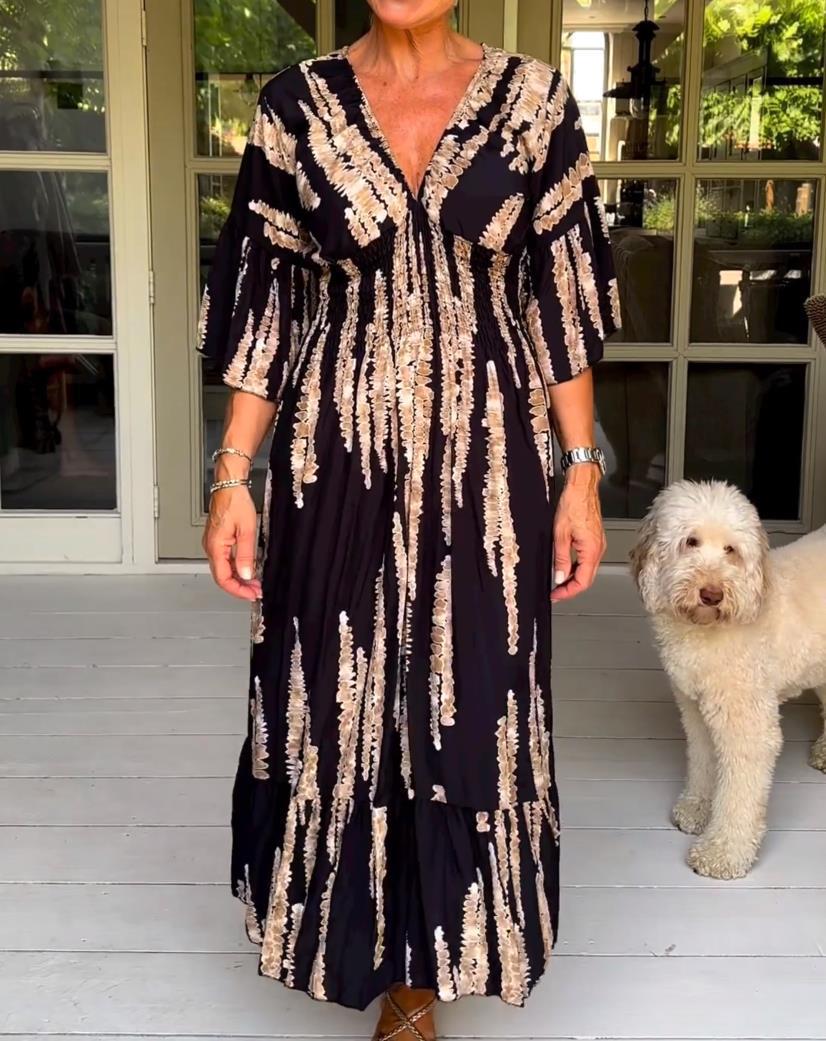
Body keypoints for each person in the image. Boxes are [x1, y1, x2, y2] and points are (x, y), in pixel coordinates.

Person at [199, 1, 619, 1036]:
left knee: (474, 697)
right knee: (333, 696)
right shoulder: (296, 106)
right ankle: (366, 955)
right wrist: (232, 475)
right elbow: (264, 309)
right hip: (332, 458)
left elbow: (561, 307)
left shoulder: (533, 103)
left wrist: (580, 472)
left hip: (491, 469)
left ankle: (433, 968)